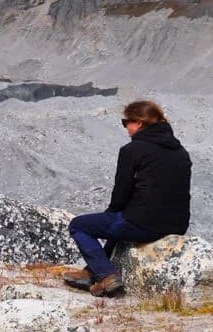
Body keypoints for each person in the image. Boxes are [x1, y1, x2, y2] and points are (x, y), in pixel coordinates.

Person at [63, 100, 192, 297]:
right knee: (120, 222)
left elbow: (121, 193)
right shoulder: (181, 152)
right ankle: (91, 273)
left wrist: (110, 215)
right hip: (177, 225)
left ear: (139, 123)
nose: (126, 128)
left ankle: (107, 276)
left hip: (143, 225)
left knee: (79, 225)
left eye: (126, 123)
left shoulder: (132, 150)